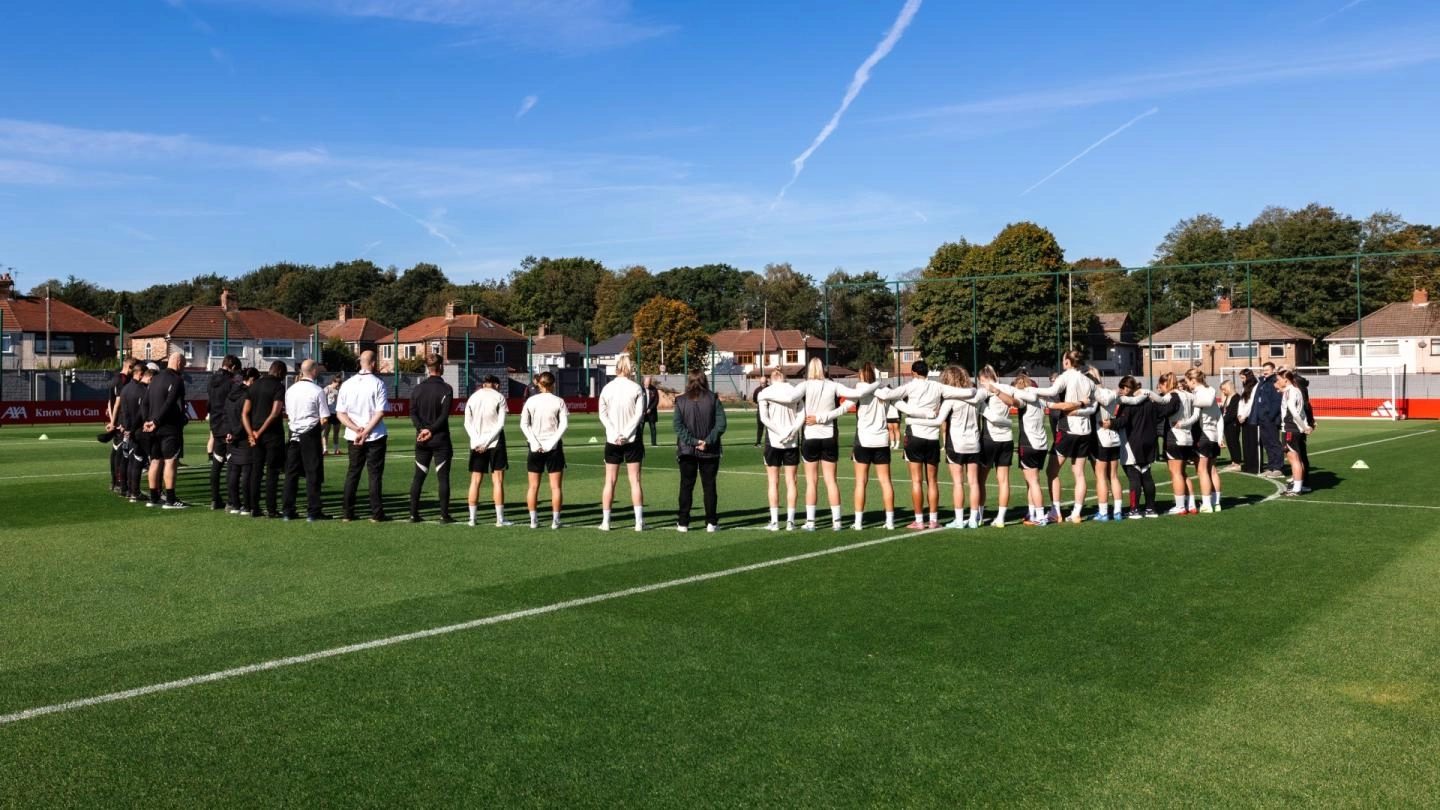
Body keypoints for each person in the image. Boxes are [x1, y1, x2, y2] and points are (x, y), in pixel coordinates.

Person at [900, 366, 985, 529]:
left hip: (956, 443)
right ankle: (974, 519)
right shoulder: (977, 398)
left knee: (958, 483)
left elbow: (938, 421)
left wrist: (913, 420)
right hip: (974, 443)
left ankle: (959, 520)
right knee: (973, 482)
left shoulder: (951, 399)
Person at [1026, 350, 1097, 524]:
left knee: (1052, 471)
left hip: (1067, 429)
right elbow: (1093, 407)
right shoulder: (1089, 381)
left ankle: (1055, 511)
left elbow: (1052, 390)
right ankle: (1076, 513)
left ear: (1067, 362)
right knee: (1079, 473)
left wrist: (1030, 389)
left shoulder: (1065, 376)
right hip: (1085, 431)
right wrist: (1079, 409)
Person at [829, 362, 897, 530]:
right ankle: (890, 522)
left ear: (861, 375)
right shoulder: (883, 391)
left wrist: (823, 418)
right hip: (881, 440)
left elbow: (843, 409)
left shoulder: (859, 391)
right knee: (886, 481)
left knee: (860, 482)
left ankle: (858, 522)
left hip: (863, 440)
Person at [986, 373, 1054, 526]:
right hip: (1042, 444)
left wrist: (997, 391)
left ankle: (1041, 516)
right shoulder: (1041, 401)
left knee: (1033, 482)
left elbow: (1012, 401)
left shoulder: (1024, 400)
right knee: (1031, 481)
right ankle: (1032, 513)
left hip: (1028, 443)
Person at [886, 359, 945, 529]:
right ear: (927, 372)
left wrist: (897, 403)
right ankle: (933, 520)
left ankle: (919, 521)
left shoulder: (910, 385)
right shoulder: (937, 386)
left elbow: (888, 395)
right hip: (932, 437)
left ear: (913, 373)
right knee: (932, 481)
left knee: (916, 481)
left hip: (915, 436)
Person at [336, 350, 391, 523]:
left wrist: (356, 429)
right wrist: (366, 431)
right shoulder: (378, 383)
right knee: (374, 475)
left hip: (354, 435)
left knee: (353, 473)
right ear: (373, 363)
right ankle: (376, 513)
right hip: (374, 435)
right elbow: (380, 412)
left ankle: (347, 513)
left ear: (360, 362)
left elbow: (340, 413)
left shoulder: (347, 384)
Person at [673, 368, 726, 532]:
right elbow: (721, 424)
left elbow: (678, 427)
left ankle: (683, 522)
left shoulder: (681, 401)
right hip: (708, 450)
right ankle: (711, 522)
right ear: (704, 380)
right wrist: (705, 442)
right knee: (709, 486)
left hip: (687, 450)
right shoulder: (713, 398)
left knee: (686, 486)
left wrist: (694, 442)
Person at [599, 355, 647, 531]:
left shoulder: (607, 388)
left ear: (617, 368)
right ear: (630, 369)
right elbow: (639, 415)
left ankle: (606, 522)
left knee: (609, 481)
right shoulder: (636, 388)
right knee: (635, 480)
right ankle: (639, 523)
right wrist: (626, 434)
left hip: (612, 440)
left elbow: (602, 414)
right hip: (632, 438)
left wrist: (614, 433)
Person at [409, 353, 455, 524]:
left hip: (421, 439)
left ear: (428, 368)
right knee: (442, 477)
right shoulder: (447, 389)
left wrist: (422, 430)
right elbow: (444, 416)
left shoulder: (417, 389)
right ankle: (444, 515)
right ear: (441, 367)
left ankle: (413, 514)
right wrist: (431, 430)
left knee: (418, 477)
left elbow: (412, 413)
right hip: (440, 439)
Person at [282, 358, 330, 521]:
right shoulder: (317, 390)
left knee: (291, 474)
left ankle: (288, 510)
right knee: (313, 473)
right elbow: (324, 418)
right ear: (314, 371)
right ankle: (313, 511)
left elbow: (289, 414)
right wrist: (316, 431)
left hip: (294, 433)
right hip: (310, 433)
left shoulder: (290, 390)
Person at [757, 368, 804, 531]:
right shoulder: (795, 391)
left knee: (773, 482)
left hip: (774, 441)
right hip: (791, 442)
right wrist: (791, 432)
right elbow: (802, 415)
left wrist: (780, 432)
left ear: (771, 379)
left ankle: (775, 522)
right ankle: (790, 522)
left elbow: (764, 418)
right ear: (785, 377)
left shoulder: (765, 392)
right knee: (792, 481)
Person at [520, 371, 568, 529]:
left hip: (535, 447)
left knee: (533, 486)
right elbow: (563, 425)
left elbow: (524, 425)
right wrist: (551, 443)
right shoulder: (559, 401)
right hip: (553, 448)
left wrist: (534, 442)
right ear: (553, 384)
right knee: (555, 487)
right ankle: (556, 520)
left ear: (539, 384)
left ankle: (533, 520)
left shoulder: (531, 401)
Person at [463, 374, 512, 527]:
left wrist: (477, 441)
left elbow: (467, 423)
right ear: (496, 384)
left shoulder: (473, 397)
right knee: (497, 480)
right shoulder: (499, 397)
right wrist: (486, 442)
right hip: (495, 442)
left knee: (475, 481)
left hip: (476, 443)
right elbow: (500, 424)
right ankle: (500, 520)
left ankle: (472, 519)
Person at [142, 351, 189, 509]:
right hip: (169, 427)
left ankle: (154, 498)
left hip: (153, 429)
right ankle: (170, 499)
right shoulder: (177, 380)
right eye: (183, 364)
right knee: (171, 461)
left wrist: (147, 421)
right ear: (177, 363)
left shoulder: (154, 379)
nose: (184, 367)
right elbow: (171, 403)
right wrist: (156, 421)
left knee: (155, 461)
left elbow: (145, 403)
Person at [1111, 375, 1162, 519]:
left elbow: (1123, 422)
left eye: (1123, 387)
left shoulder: (1129, 403)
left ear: (1130, 388)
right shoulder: (1150, 401)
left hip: (1132, 443)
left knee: (1134, 477)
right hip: (1150, 442)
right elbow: (1160, 415)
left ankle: (1134, 509)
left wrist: (1110, 423)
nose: (1122, 390)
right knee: (1146, 475)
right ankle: (1151, 508)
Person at [243, 360, 288, 518]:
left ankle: (254, 507)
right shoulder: (278, 387)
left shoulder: (254, 385)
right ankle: (271, 508)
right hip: (272, 435)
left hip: (255, 435)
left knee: (256, 471)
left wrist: (251, 434)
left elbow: (245, 413)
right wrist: (260, 432)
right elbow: (275, 413)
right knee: (272, 472)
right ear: (281, 373)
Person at [974, 365, 1015, 528]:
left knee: (979, 480)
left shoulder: (985, 391)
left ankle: (979, 516)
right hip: (1007, 439)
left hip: (989, 439)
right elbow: (1013, 402)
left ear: (982, 379)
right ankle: (1001, 518)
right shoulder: (1006, 388)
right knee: (1003, 480)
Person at [1087, 368, 1124, 523]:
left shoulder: (1097, 393)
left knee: (1101, 476)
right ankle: (1117, 511)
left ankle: (1103, 512)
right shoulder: (1109, 391)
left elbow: (1104, 400)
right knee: (1114, 476)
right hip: (1114, 438)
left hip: (1102, 438)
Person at [1185, 368, 1224, 512]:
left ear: (1193, 381)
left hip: (1203, 435)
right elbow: (1219, 417)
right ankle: (1216, 502)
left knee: (1202, 471)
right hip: (1212, 436)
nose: (1187, 385)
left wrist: (1187, 397)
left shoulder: (1201, 392)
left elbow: (1204, 404)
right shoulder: (1210, 390)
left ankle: (1207, 504)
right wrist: (1219, 437)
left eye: (1188, 381)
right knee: (1212, 469)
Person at [206, 354, 240, 510]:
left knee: (217, 462)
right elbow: (232, 405)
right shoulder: (231, 383)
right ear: (232, 366)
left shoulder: (211, 381)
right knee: (232, 464)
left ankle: (214, 498)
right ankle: (231, 501)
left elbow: (209, 403)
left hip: (215, 424)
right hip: (228, 425)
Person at [225, 368, 260, 515]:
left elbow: (225, 414)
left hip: (230, 436)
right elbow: (245, 418)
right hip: (243, 436)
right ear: (252, 379)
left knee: (234, 471)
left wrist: (228, 432)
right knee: (246, 472)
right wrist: (237, 433)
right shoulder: (248, 395)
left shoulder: (230, 395)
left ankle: (234, 503)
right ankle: (246, 505)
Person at [118, 361, 153, 503]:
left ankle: (125, 489)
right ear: (139, 374)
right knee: (138, 461)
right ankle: (135, 492)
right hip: (138, 430)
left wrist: (125, 428)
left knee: (128, 460)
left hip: (127, 429)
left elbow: (123, 411)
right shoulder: (143, 391)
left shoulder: (125, 389)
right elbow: (141, 413)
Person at [1275, 369, 1313, 496]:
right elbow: (1302, 412)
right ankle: (1299, 486)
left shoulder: (1289, 392)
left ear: (1286, 380)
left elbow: (1294, 412)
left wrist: (1304, 426)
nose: (1277, 382)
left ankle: (1296, 489)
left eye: (1279, 379)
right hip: (1297, 429)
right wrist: (1305, 426)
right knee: (1299, 459)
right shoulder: (1297, 391)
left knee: (1293, 459)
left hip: (1291, 429)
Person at [105, 358, 140, 495]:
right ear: (130, 367)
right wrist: (114, 422)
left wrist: (111, 419)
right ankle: (120, 483)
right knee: (121, 452)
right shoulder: (124, 380)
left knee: (115, 451)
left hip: (116, 419)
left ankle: (114, 482)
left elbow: (109, 402)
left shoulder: (114, 379)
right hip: (121, 420)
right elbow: (118, 403)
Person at [1253, 362, 1285, 477]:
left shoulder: (1274, 382)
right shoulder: (1262, 382)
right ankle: (1270, 467)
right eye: (1264, 369)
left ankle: (1278, 468)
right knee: (1266, 443)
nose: (1265, 371)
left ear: (1273, 370)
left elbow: (1277, 401)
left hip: (1270, 419)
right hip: (1262, 419)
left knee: (1274, 443)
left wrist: (1270, 416)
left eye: (1267, 369)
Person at [1236, 368, 1261, 474]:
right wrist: (1239, 415)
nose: (1242, 380)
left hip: (1252, 419)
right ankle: (1247, 465)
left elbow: (1251, 403)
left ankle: (1254, 467)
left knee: (1253, 443)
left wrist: (1244, 415)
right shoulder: (1244, 388)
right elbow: (1241, 402)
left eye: (1243, 378)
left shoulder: (1256, 386)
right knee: (1246, 443)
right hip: (1244, 419)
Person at [1220, 379, 1243, 472]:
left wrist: (1223, 420)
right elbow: (1223, 410)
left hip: (1233, 424)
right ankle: (1233, 461)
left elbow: (1233, 413)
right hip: (1226, 424)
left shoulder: (1236, 397)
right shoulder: (1227, 398)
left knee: (1234, 442)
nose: (1223, 392)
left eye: (1224, 390)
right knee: (1229, 442)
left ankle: (1237, 462)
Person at [324, 374, 342, 455]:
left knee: (336, 432)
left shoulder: (337, 390)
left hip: (337, 413)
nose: (338, 386)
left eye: (339, 385)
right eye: (337, 385)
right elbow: (322, 401)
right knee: (326, 432)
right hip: (328, 413)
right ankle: (325, 449)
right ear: (333, 382)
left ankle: (336, 449)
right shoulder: (326, 389)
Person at [751, 375, 770, 447]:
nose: (763, 384)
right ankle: (758, 442)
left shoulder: (770, 388)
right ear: (760, 382)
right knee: (760, 427)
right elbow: (755, 400)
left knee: (769, 427)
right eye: (762, 383)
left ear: (767, 382)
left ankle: (769, 442)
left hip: (770, 411)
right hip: (760, 411)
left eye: (764, 383)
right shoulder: (757, 390)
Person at [643, 375, 660, 446]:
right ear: (643, 382)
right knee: (640, 429)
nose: (647, 385)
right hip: (642, 413)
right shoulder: (639, 389)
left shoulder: (654, 389)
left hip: (651, 413)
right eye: (646, 383)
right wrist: (643, 409)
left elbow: (656, 400)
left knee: (653, 428)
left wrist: (650, 408)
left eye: (649, 383)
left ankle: (654, 443)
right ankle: (639, 443)